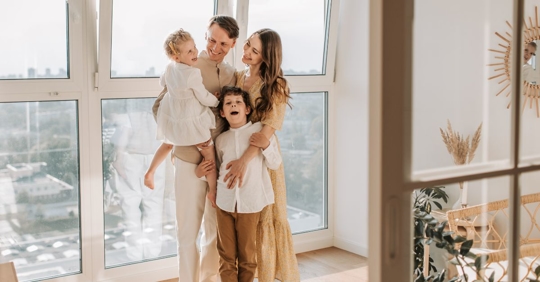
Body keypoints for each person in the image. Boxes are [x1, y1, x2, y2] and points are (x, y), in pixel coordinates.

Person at [150, 15, 239, 282]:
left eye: (223, 43)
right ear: (205, 36)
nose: (215, 47)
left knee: (215, 231)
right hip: (189, 161)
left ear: (232, 44)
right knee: (187, 233)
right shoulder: (185, 66)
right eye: (211, 39)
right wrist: (190, 143)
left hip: (220, 163)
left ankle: (208, 279)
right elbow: (160, 109)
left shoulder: (231, 73)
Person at [225, 28, 301, 281]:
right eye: (247, 45)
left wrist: (243, 163)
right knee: (244, 220)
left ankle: (267, 276)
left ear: (266, 57)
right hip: (237, 152)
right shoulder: (237, 76)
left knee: (267, 217)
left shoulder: (276, 85)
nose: (246, 52)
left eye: (254, 50)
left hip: (263, 158)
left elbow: (266, 131)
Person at [214, 86, 281, 282]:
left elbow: (275, 163)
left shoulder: (260, 131)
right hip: (224, 203)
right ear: (222, 112)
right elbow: (219, 169)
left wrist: (266, 145)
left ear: (247, 109)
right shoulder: (221, 140)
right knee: (225, 256)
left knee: (247, 256)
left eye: (238, 102)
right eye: (228, 103)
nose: (233, 105)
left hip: (250, 204)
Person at [146, 28, 219, 208]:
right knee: (208, 151)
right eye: (189, 51)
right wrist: (217, 101)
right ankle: (213, 190)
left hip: (173, 115)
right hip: (192, 119)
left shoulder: (169, 68)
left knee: (168, 143)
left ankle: (150, 171)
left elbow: (162, 82)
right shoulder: (193, 74)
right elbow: (203, 96)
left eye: (194, 48)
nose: (195, 53)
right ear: (177, 57)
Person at [108, 99, 166, 262]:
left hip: (132, 156)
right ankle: (152, 253)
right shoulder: (157, 100)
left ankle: (134, 257)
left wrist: (118, 157)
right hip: (156, 155)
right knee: (153, 206)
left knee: (130, 207)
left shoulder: (132, 101)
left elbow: (125, 129)